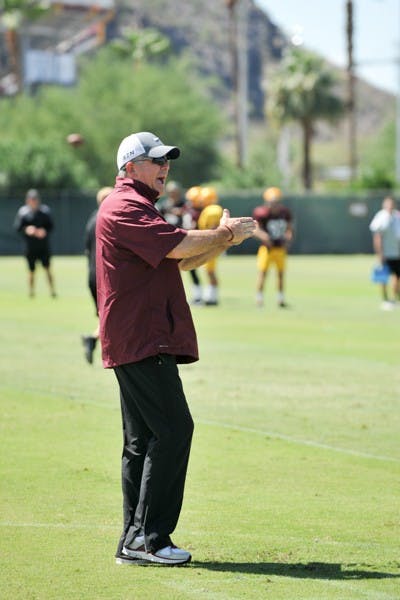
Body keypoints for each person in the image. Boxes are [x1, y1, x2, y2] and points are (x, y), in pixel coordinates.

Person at [95, 130, 256, 566]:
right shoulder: (124, 205)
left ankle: (134, 540)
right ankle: (148, 539)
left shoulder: (137, 205)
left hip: (138, 335)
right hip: (142, 337)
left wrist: (223, 239)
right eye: (156, 160)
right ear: (130, 167)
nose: (165, 166)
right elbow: (180, 246)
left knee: (143, 439)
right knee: (172, 429)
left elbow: (181, 260)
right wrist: (222, 233)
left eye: (167, 160)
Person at [81, 186, 113, 364]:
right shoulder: (110, 218)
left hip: (93, 276)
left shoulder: (92, 219)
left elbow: (86, 249)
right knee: (112, 316)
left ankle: (92, 339)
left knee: (107, 316)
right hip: (105, 277)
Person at [253, 186, 293, 308]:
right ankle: (259, 298)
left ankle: (280, 299)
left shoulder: (285, 212)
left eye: (275, 202)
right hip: (267, 248)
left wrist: (288, 237)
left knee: (281, 274)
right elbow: (255, 229)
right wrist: (264, 237)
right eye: (271, 202)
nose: (273, 205)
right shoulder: (261, 213)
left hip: (280, 248)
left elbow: (289, 229)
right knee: (263, 273)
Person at [14, 188, 56, 297]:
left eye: (35, 199)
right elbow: (18, 228)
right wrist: (27, 229)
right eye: (31, 199)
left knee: (47, 268)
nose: (33, 201)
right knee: (31, 270)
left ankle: (52, 291)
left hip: (43, 246)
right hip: (30, 247)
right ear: (27, 200)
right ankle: (31, 292)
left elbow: (51, 226)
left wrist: (44, 231)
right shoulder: (23, 212)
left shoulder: (45, 211)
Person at [369, 195, 400, 310]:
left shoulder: (397, 216)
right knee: (383, 277)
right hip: (386, 253)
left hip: (397, 253)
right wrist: (379, 254)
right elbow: (377, 236)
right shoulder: (381, 217)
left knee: (397, 276)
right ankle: (385, 299)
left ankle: (395, 298)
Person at [197, 186, 224, 305]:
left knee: (210, 271)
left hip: (211, 244)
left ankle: (212, 297)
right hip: (209, 244)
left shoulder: (213, 209)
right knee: (209, 271)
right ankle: (211, 296)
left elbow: (213, 229)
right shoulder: (210, 209)